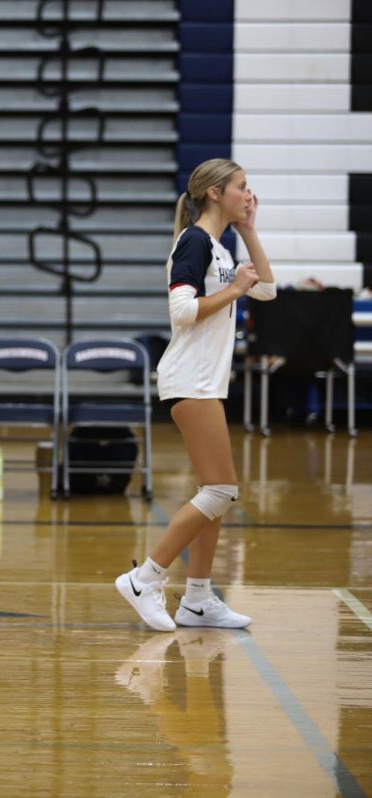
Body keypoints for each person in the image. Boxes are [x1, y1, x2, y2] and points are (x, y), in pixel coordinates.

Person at [116, 158, 276, 632]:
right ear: (214, 193)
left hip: (207, 381)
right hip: (189, 378)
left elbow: (265, 290)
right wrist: (235, 292)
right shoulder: (193, 242)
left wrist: (248, 230)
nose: (248, 193)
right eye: (241, 188)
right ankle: (145, 578)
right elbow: (182, 310)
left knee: (215, 493)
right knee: (222, 490)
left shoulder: (222, 248)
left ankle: (199, 599)